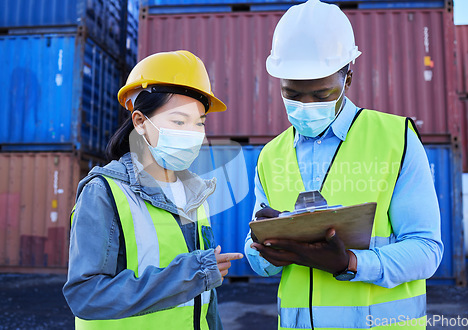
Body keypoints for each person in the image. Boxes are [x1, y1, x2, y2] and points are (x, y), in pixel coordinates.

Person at [244, 1, 444, 329]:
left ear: (348, 76)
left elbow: (426, 249)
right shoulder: (270, 155)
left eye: (321, 94)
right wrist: (264, 251)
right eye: (292, 94)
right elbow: (256, 258)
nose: (306, 105)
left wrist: (350, 262)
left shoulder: (397, 139)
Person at [63, 50, 243, 329]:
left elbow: (206, 300)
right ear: (140, 122)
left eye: (200, 123)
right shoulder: (104, 192)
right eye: (179, 122)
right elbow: (87, 296)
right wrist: (193, 272)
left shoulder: (196, 194)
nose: (193, 133)